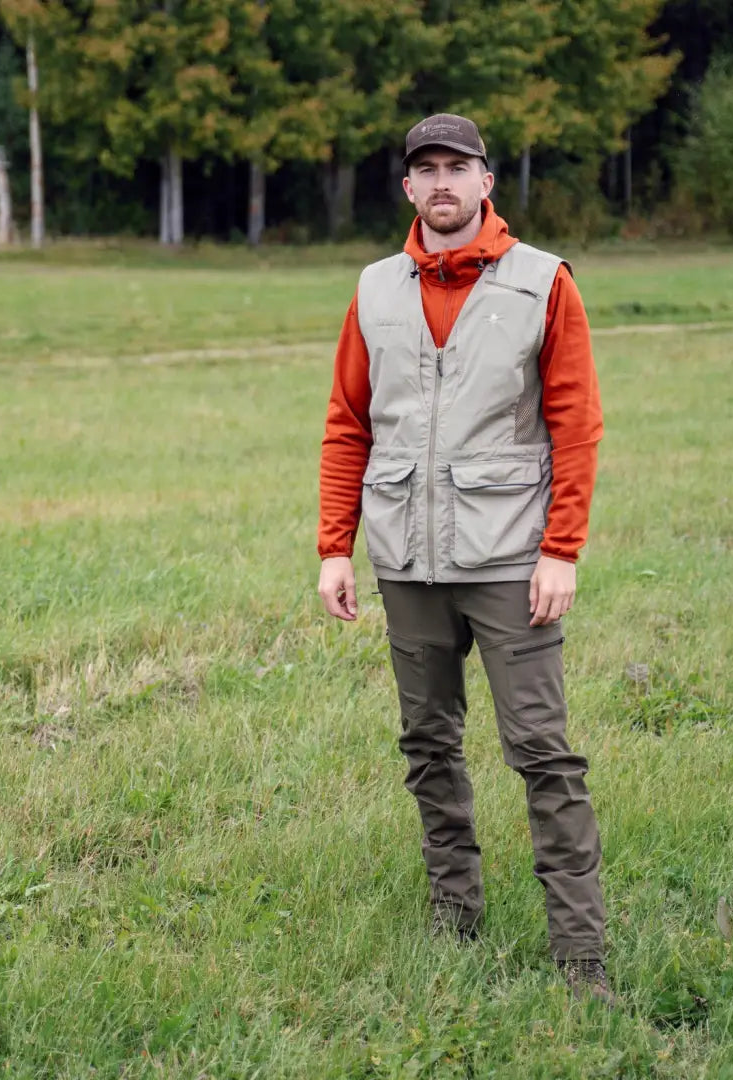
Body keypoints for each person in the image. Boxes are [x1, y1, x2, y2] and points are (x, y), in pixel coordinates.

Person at [316, 114, 612, 1003]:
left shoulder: (541, 283)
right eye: (426, 170)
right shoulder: (375, 288)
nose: (442, 183)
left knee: (542, 754)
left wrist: (560, 550)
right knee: (427, 744)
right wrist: (336, 546)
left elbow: (576, 423)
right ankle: (455, 914)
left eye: (459, 167)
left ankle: (582, 956)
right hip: (405, 560)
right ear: (408, 188)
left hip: (511, 561)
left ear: (487, 181)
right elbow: (348, 423)